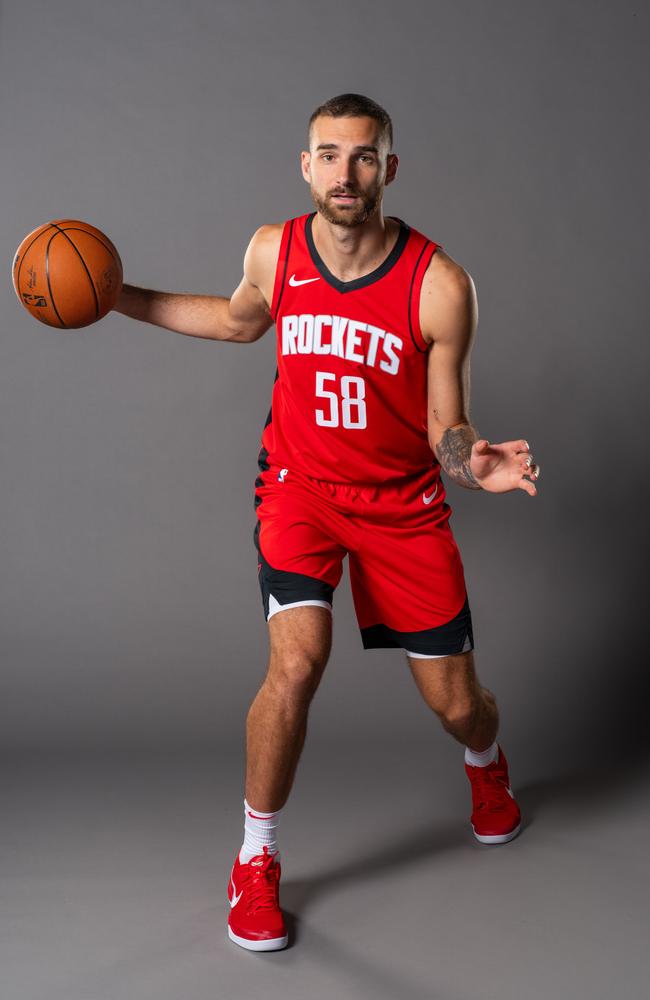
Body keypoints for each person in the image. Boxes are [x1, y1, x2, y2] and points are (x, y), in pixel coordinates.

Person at [115, 93, 540, 953]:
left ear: (389, 168)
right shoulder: (275, 251)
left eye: (363, 156)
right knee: (299, 661)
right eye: (329, 154)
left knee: (460, 709)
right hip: (300, 492)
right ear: (306, 166)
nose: (346, 172)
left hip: (401, 511)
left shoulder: (439, 285)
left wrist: (472, 459)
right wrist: (114, 295)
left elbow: (442, 424)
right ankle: (255, 860)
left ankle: (485, 767)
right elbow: (237, 323)